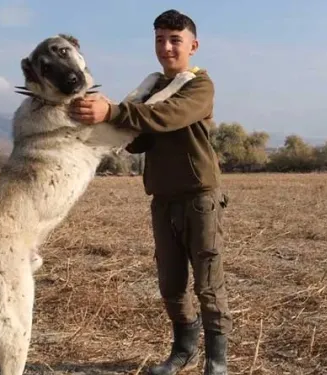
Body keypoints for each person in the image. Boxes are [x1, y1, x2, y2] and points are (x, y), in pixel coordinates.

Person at [69, 9, 232, 375]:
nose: (167, 47)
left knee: (208, 283)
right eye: (160, 40)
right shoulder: (152, 89)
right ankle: (183, 350)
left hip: (199, 196)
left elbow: (168, 117)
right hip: (162, 198)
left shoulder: (199, 86)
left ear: (193, 45)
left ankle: (216, 360)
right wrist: (109, 122)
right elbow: (137, 142)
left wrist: (113, 111)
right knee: (171, 283)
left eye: (175, 40)